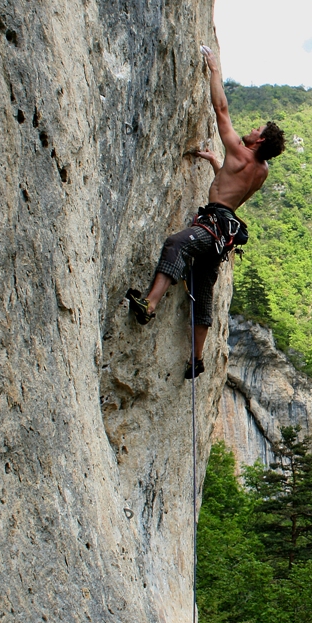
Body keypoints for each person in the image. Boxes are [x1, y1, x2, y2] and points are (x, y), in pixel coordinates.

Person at [126, 45, 285, 379]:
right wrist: (216, 163)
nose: (251, 131)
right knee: (201, 292)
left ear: (257, 142)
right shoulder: (261, 171)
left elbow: (221, 109)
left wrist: (214, 69)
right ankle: (196, 360)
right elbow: (231, 190)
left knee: (176, 243)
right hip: (224, 234)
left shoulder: (240, 152)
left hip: (211, 226)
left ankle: (149, 304)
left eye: (256, 131)